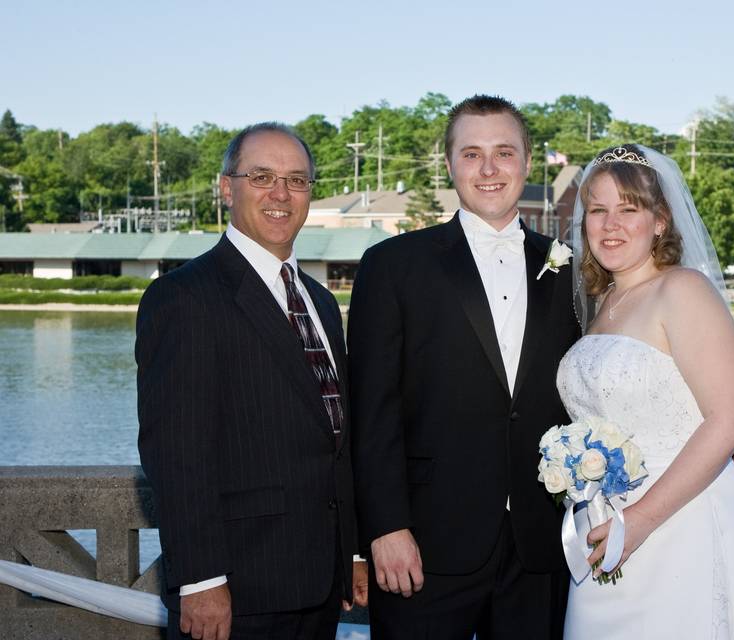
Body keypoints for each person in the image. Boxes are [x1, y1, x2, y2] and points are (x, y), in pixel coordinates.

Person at [558, 144, 734, 638]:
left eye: (628, 209)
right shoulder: (605, 303)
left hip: (682, 521)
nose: (610, 224)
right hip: (605, 525)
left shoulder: (683, 290)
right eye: (598, 210)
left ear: (659, 221)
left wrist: (637, 519)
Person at [348, 95, 580, 639]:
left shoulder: (572, 271)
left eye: (504, 152)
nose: (489, 169)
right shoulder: (393, 265)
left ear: (527, 161)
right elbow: (371, 411)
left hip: (541, 547)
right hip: (424, 547)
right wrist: (383, 529)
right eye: (471, 154)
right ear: (449, 164)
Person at [137, 123, 359, 640]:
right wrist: (200, 580)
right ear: (226, 187)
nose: (281, 194)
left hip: (320, 585)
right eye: (262, 176)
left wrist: (349, 549)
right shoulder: (184, 297)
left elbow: (334, 439)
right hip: (238, 591)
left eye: (297, 181)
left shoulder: (320, 302)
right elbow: (177, 454)